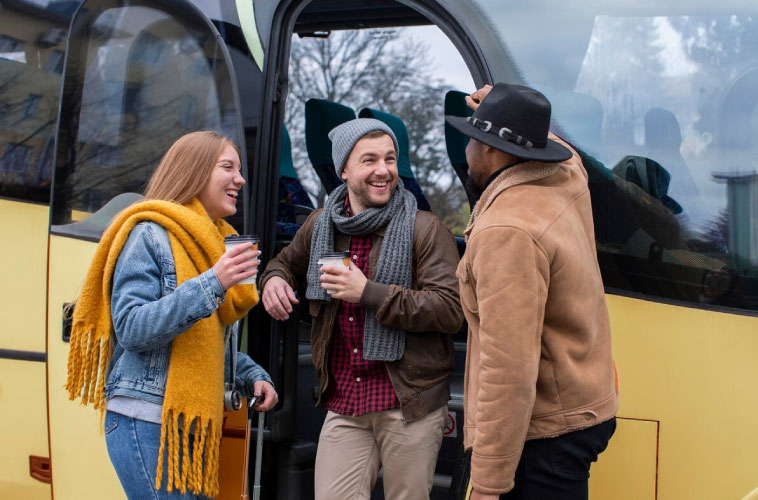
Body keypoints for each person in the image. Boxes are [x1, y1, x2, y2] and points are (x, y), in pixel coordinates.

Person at [65, 131, 278, 499]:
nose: (240, 179)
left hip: (190, 428)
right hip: (145, 420)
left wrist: (251, 375)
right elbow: (132, 327)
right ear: (194, 172)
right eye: (227, 167)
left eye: (239, 170)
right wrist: (214, 281)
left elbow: (204, 343)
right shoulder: (150, 233)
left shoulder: (215, 242)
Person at [260, 118, 463, 500]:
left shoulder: (425, 228)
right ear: (344, 171)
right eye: (369, 160)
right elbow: (282, 262)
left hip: (409, 403)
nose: (383, 170)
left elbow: (451, 309)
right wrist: (273, 280)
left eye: (389, 159)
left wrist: (369, 293)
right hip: (346, 401)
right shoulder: (322, 225)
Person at [446, 84, 618, 500]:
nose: (467, 147)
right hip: (583, 408)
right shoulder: (564, 175)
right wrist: (513, 109)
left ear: (489, 150)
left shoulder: (506, 232)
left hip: (544, 434)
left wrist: (488, 484)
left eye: (473, 137)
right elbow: (563, 150)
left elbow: (509, 372)